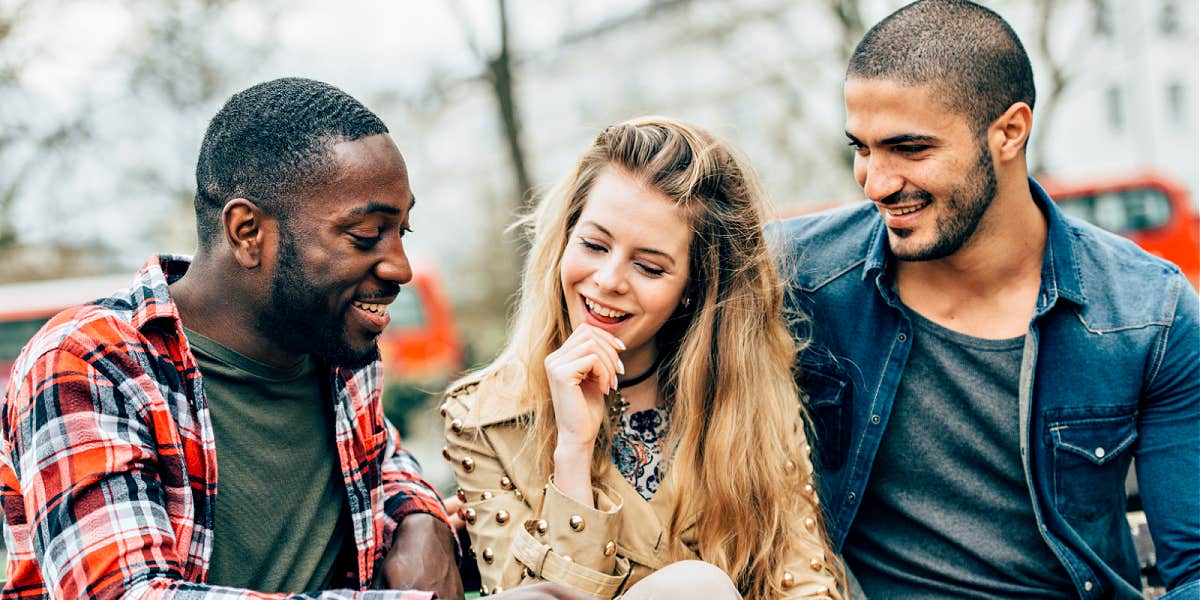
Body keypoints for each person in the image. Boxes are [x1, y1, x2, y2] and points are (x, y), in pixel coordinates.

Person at [0, 77, 589, 600]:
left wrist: (421, 519)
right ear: (247, 231)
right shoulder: (88, 363)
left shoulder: (334, 349)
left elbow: (384, 461)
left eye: (401, 231)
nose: (401, 267)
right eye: (366, 235)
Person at [774, 1, 1200, 598]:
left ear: (1009, 131)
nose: (875, 182)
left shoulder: (1146, 312)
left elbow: (1195, 566)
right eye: (862, 148)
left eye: (909, 149)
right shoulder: (792, 277)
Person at [440, 116, 843, 599]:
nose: (608, 279)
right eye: (593, 244)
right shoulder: (483, 416)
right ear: (564, 238)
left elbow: (805, 585)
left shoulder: (755, 396)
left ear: (694, 287)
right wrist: (573, 451)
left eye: (649, 266)